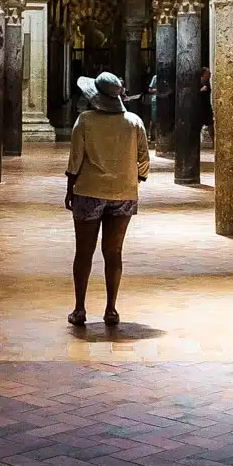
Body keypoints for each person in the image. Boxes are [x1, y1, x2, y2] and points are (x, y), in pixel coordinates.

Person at [65, 71, 150, 327]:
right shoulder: (133, 121)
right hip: (123, 193)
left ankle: (79, 309)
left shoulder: (85, 120)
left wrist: (70, 189)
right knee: (114, 253)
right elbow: (144, 158)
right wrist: (137, 179)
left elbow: (75, 160)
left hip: (89, 191)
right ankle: (111, 309)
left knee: (84, 252)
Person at [200, 67, 214, 145]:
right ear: (204, 74)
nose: (210, 75)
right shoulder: (199, 82)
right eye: (208, 73)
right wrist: (201, 90)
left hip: (207, 107)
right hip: (200, 108)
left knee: (211, 124)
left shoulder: (207, 82)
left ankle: (214, 143)